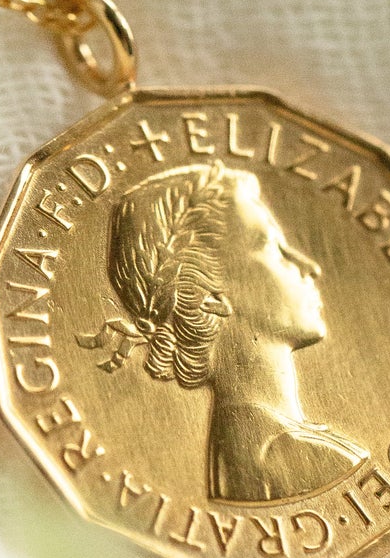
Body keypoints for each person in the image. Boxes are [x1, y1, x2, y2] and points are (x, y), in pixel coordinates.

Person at [79, 161, 367, 502]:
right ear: (210, 296)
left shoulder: (249, 443)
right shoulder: (292, 455)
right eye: (271, 248)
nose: (309, 267)